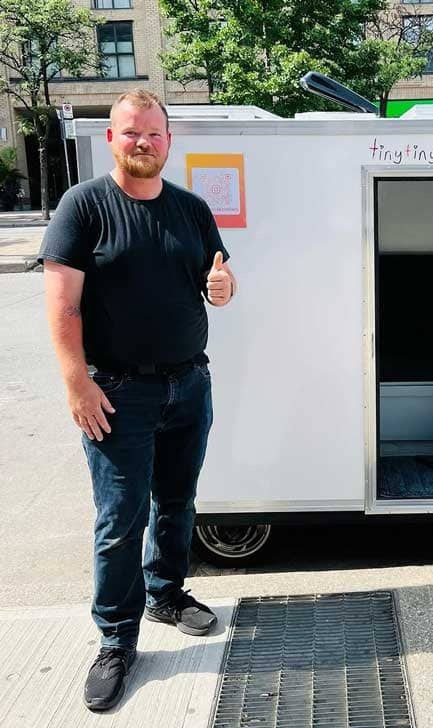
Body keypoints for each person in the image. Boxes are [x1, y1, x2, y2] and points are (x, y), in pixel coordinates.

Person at [39, 89, 236, 712]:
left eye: (154, 132)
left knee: (176, 501)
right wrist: (77, 382)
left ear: (169, 141)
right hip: (117, 391)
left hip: (189, 383)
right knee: (120, 519)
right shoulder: (84, 206)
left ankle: (167, 594)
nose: (143, 141)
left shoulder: (191, 209)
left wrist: (225, 285)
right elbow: (63, 305)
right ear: (113, 140)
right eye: (131, 133)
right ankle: (117, 641)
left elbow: (218, 278)